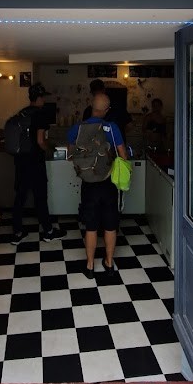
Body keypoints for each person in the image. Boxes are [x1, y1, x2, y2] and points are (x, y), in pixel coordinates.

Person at [68, 93, 128, 279]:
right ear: (107, 109)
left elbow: (71, 154)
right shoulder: (112, 128)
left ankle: (90, 265)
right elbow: (123, 157)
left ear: (91, 106)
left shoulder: (77, 128)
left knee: (91, 226)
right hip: (108, 183)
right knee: (110, 225)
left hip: (88, 184)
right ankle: (109, 264)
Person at [10, 82, 60, 246]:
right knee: (40, 197)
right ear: (39, 97)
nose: (44, 100)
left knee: (20, 198)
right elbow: (40, 141)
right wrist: (49, 148)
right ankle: (48, 231)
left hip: (20, 161)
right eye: (43, 97)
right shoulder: (41, 114)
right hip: (35, 162)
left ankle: (17, 233)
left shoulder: (22, 113)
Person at [83, 78, 133, 144]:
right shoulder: (119, 107)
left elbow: (84, 131)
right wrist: (117, 135)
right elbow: (129, 125)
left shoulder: (88, 110)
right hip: (115, 148)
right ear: (104, 90)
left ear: (92, 93)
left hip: (98, 149)